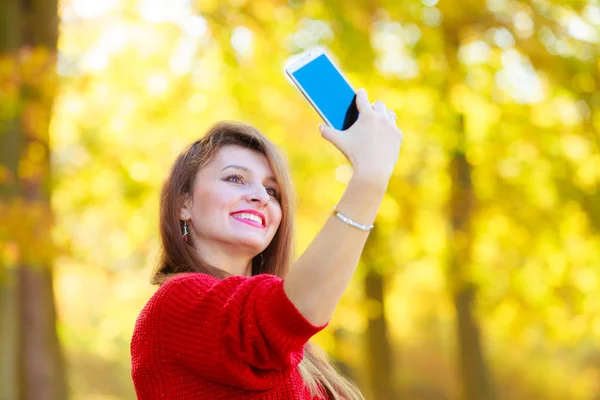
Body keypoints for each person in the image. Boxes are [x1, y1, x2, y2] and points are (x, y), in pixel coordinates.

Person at [130, 88, 403, 399]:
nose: (260, 196)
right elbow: (276, 319)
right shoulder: (174, 305)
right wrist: (370, 178)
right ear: (184, 203)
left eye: (272, 191)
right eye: (235, 178)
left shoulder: (304, 355)